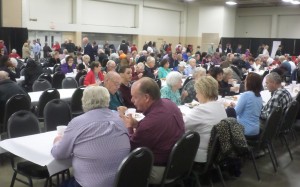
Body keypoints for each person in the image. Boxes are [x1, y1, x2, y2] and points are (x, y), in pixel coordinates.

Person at [51, 86, 130, 187]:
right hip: (119, 182)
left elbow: (59, 154)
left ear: (84, 101)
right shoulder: (120, 120)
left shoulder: (77, 123)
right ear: (107, 100)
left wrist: (57, 141)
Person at [120, 77, 184, 184]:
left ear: (146, 97)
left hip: (162, 169)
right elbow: (155, 128)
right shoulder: (169, 103)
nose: (131, 100)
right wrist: (136, 123)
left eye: (134, 97)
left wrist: (129, 127)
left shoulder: (150, 124)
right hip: (179, 162)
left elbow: (132, 149)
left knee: (122, 168)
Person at [184, 76, 227, 163]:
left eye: (197, 93)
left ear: (203, 92)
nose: (196, 96)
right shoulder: (220, 106)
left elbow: (181, 125)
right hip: (215, 153)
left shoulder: (201, 110)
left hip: (200, 154)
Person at [230, 73, 263, 137]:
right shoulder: (259, 96)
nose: (244, 82)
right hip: (255, 129)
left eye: (246, 80)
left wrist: (230, 109)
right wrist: (235, 106)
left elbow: (235, 113)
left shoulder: (246, 95)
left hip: (245, 130)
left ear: (249, 83)